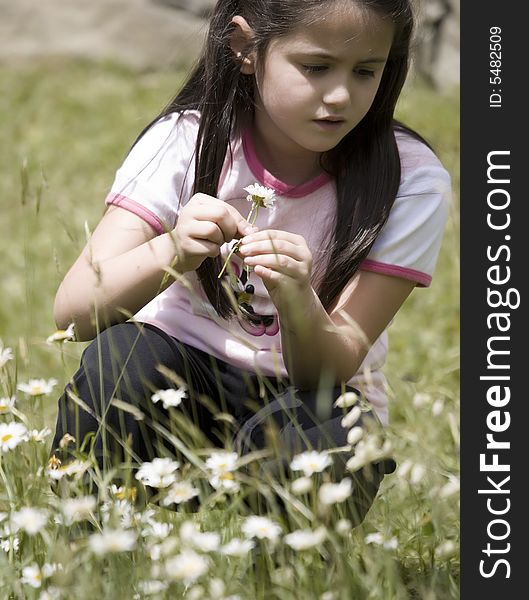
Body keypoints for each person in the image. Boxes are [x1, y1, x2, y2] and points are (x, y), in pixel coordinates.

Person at [49, 0, 451, 526]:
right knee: (120, 359)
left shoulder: (411, 180)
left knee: (340, 426)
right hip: (181, 380)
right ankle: (90, 543)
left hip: (307, 395)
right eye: (316, 67)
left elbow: (328, 373)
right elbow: (74, 313)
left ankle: (278, 567)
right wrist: (172, 249)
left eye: (365, 72)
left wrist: (298, 299)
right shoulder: (186, 141)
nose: (339, 95)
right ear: (245, 48)